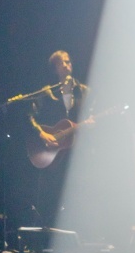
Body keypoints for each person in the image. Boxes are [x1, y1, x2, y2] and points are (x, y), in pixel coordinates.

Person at [29, 50, 91, 228]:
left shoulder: (84, 91)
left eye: (68, 61)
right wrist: (41, 133)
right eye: (61, 62)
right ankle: (47, 231)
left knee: (77, 191)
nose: (66, 64)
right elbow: (29, 115)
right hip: (53, 149)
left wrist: (92, 123)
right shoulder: (47, 92)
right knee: (51, 191)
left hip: (78, 150)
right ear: (54, 68)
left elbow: (90, 116)